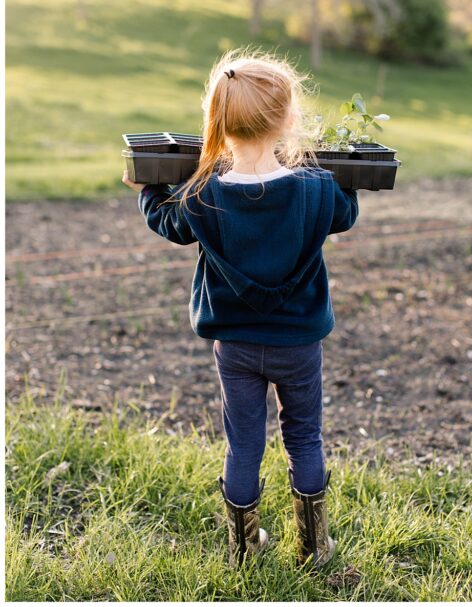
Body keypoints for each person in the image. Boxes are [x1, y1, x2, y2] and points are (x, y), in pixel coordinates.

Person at [122, 49, 358, 568]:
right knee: (304, 437)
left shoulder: (200, 197)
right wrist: (343, 177)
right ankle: (315, 548)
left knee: (244, 443)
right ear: (288, 121)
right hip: (299, 343)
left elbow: (166, 222)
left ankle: (243, 548)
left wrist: (147, 190)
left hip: (236, 347)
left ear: (218, 121)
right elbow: (347, 211)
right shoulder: (317, 190)